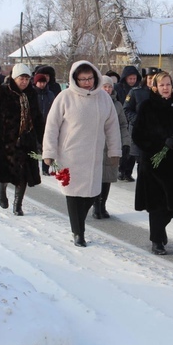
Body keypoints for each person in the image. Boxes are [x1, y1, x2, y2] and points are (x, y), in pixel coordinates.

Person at [42, 61, 121, 247]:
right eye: (82, 79)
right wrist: (49, 152)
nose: (87, 82)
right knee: (73, 194)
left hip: (94, 155)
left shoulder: (103, 98)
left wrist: (114, 149)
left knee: (92, 193)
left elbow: (112, 127)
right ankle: (78, 232)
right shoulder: (65, 97)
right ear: (75, 79)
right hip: (70, 154)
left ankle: (79, 225)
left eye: (90, 78)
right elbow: (52, 126)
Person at [132, 71, 173, 255]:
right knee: (157, 205)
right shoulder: (147, 106)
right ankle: (156, 241)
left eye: (168, 84)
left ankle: (160, 230)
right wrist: (161, 143)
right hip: (155, 164)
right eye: (161, 85)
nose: (165, 88)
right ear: (154, 87)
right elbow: (138, 135)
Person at [0, 63, 45, 216]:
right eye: (21, 79)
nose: (24, 82)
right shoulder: (1, 92)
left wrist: (43, 139)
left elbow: (37, 118)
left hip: (26, 140)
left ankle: (18, 204)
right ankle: (2, 189)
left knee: (23, 174)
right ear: (13, 78)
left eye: (26, 79)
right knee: (5, 172)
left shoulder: (31, 94)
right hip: (6, 141)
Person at [92, 75, 131, 219]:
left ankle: (103, 205)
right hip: (96, 145)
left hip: (111, 146)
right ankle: (96, 206)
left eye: (109, 87)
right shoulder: (94, 102)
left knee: (107, 177)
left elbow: (123, 125)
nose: (107, 89)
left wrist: (126, 142)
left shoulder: (117, 105)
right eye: (104, 86)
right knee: (97, 177)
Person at [121, 67, 160, 182]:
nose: (152, 80)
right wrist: (139, 120)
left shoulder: (161, 92)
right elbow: (126, 110)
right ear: (145, 78)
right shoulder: (136, 92)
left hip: (157, 135)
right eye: (150, 78)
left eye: (155, 78)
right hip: (140, 134)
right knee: (143, 164)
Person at [32, 73, 56, 176]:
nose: (42, 84)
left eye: (43, 82)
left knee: (46, 146)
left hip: (47, 123)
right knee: (34, 146)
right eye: (40, 82)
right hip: (35, 123)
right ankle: (33, 168)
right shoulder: (32, 94)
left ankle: (46, 168)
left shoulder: (50, 94)